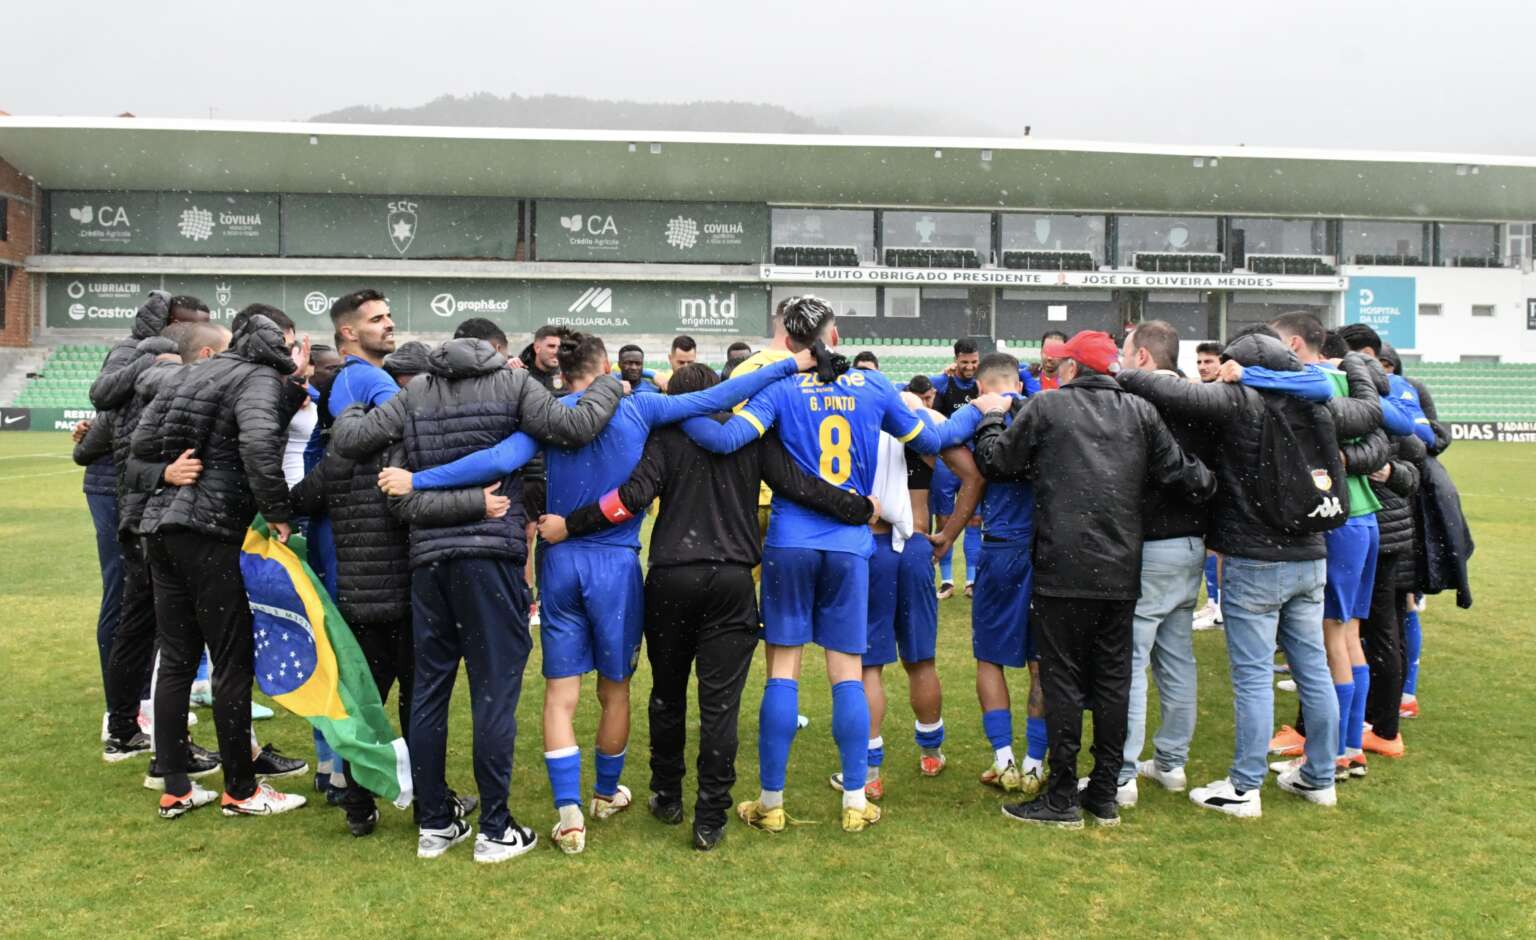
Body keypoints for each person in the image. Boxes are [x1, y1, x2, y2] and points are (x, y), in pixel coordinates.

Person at [381, 334, 816, 855]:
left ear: (561, 373)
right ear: (608, 366)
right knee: (615, 689)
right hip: (615, 564)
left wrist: (420, 480)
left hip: (559, 561)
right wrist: (794, 363)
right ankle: (605, 795)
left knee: (560, 693)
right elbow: (719, 398)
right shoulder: (641, 408)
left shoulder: (547, 416)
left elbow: (496, 459)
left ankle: (569, 815)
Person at [534, 361, 874, 851]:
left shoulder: (666, 439)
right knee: (721, 706)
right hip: (733, 582)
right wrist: (856, 507)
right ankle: (710, 816)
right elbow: (800, 485)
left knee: (667, 695)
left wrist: (573, 522)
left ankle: (667, 794)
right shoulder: (748, 438)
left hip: (672, 578)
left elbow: (629, 499)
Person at [331, 333, 625, 863]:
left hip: (430, 564)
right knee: (493, 692)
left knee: (429, 693)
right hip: (488, 560)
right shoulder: (512, 384)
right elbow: (577, 427)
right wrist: (607, 383)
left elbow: (363, 452)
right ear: (495, 352)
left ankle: (436, 824)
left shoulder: (415, 391)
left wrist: (351, 400)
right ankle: (493, 828)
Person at [674, 296, 958, 834]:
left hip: (789, 541)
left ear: (788, 338)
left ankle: (771, 803)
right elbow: (934, 442)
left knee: (783, 668)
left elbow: (726, 439)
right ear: (834, 333)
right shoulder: (874, 387)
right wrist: (983, 409)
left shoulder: (777, 387)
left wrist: (675, 410)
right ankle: (854, 801)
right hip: (851, 544)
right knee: (846, 671)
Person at [1116, 325, 1372, 816]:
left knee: (1253, 677)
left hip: (1257, 559)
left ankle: (1243, 787)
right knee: (1314, 670)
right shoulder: (1315, 404)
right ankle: (1320, 776)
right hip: (1311, 552)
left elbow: (1165, 385)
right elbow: (1373, 411)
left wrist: (1121, 370)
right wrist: (1354, 365)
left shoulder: (1242, 402)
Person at [972, 330, 1214, 828]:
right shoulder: (1141, 412)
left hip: (1063, 565)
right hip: (1120, 566)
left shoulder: (1049, 408)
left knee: (1062, 679)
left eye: (1061, 364)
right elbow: (1183, 475)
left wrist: (992, 417)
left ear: (1073, 369)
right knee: (1111, 680)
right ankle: (1103, 790)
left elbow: (997, 462)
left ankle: (1062, 795)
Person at [289, 289, 481, 837]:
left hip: (358, 598)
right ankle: (431, 806)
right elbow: (421, 507)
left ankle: (358, 807)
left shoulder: (339, 454)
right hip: (410, 595)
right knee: (420, 705)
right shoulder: (407, 454)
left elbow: (301, 499)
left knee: (366, 707)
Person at [130, 307, 311, 819]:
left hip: (161, 531)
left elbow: (139, 450)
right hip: (210, 533)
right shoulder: (255, 379)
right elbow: (257, 445)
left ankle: (176, 787)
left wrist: (165, 473)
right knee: (231, 659)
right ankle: (241, 789)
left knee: (179, 659)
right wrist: (278, 512)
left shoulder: (191, 374)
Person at [831, 396, 984, 802]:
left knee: (868, 666)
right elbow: (973, 476)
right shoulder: (923, 428)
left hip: (873, 545)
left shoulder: (855, 422)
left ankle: (869, 772)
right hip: (917, 546)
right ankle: (931, 752)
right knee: (920, 659)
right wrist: (950, 534)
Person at [1265, 313, 1391, 780]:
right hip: (1365, 515)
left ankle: (1335, 751)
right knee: (1350, 634)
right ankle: (1351, 744)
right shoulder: (1347, 380)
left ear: (1295, 345)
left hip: (1337, 521)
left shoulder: (1307, 384)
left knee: (1330, 638)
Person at [86, 292, 210, 746]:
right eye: (190, 325)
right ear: (171, 324)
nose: (191, 334)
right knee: (126, 602)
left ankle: (139, 708)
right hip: (120, 489)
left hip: (135, 487)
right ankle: (124, 713)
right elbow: (102, 400)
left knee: (146, 607)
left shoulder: (163, 362)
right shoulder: (138, 356)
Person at [1115, 322, 1221, 807]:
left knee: (1132, 661)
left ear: (1141, 358)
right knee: (1176, 658)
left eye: (1125, 351)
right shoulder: (1201, 400)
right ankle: (1171, 763)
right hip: (1190, 543)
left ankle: (1122, 773)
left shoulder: (1141, 401)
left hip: (1152, 543)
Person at [946, 354, 1050, 796]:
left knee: (990, 655)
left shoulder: (978, 418)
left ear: (981, 387)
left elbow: (941, 446)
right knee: (1041, 660)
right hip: (1048, 552)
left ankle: (1004, 758)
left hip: (1002, 549)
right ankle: (1034, 764)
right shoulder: (1047, 412)